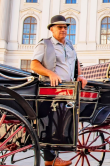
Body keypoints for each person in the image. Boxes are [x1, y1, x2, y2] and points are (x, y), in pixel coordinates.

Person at [31, 15, 88, 166]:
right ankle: (51, 159)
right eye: (59, 27)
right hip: (51, 89)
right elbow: (34, 65)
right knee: (50, 122)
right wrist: (50, 73)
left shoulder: (69, 45)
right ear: (51, 29)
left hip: (69, 89)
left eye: (65, 27)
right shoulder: (45, 44)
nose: (63, 30)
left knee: (61, 121)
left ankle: (52, 158)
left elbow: (76, 63)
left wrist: (80, 75)